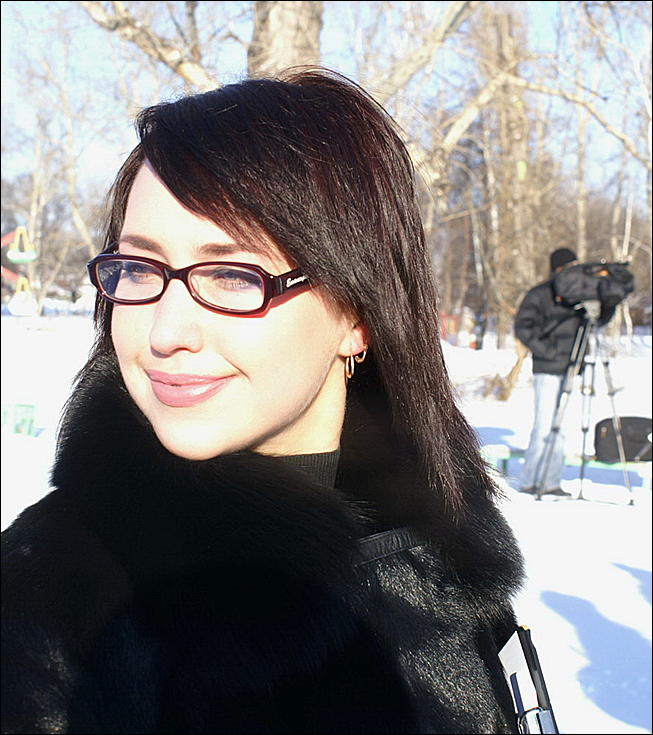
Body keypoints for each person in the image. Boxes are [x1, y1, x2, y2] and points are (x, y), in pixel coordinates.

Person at [2, 69, 524, 734]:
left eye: (230, 273)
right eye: (139, 267)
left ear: (357, 314)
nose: (165, 332)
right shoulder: (45, 603)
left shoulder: (441, 549)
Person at [514, 247, 584, 497]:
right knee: (544, 425)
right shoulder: (540, 294)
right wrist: (548, 351)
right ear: (558, 269)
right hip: (547, 369)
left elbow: (596, 322)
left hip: (571, 368)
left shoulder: (578, 295)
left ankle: (551, 482)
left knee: (561, 427)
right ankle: (530, 480)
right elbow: (523, 327)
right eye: (570, 266)